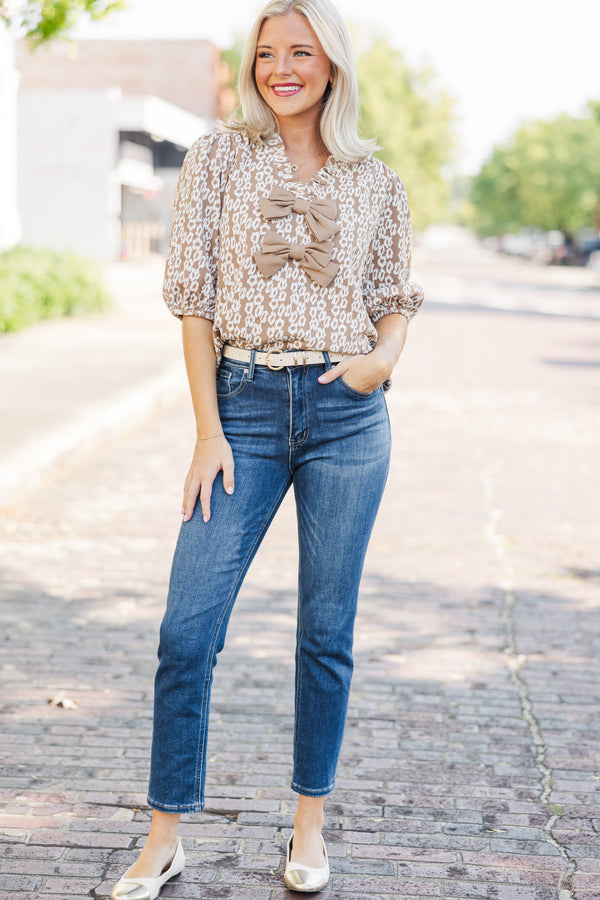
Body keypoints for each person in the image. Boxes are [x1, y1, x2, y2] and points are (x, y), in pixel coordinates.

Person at [110, 0, 423, 897]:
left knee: (327, 632)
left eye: (301, 51)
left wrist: (377, 363)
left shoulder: (377, 180)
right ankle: (166, 833)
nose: (281, 67)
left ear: (333, 63)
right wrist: (207, 428)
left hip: (347, 415)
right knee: (186, 630)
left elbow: (396, 292)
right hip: (242, 411)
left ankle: (308, 824)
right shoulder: (215, 160)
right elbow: (194, 301)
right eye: (267, 53)